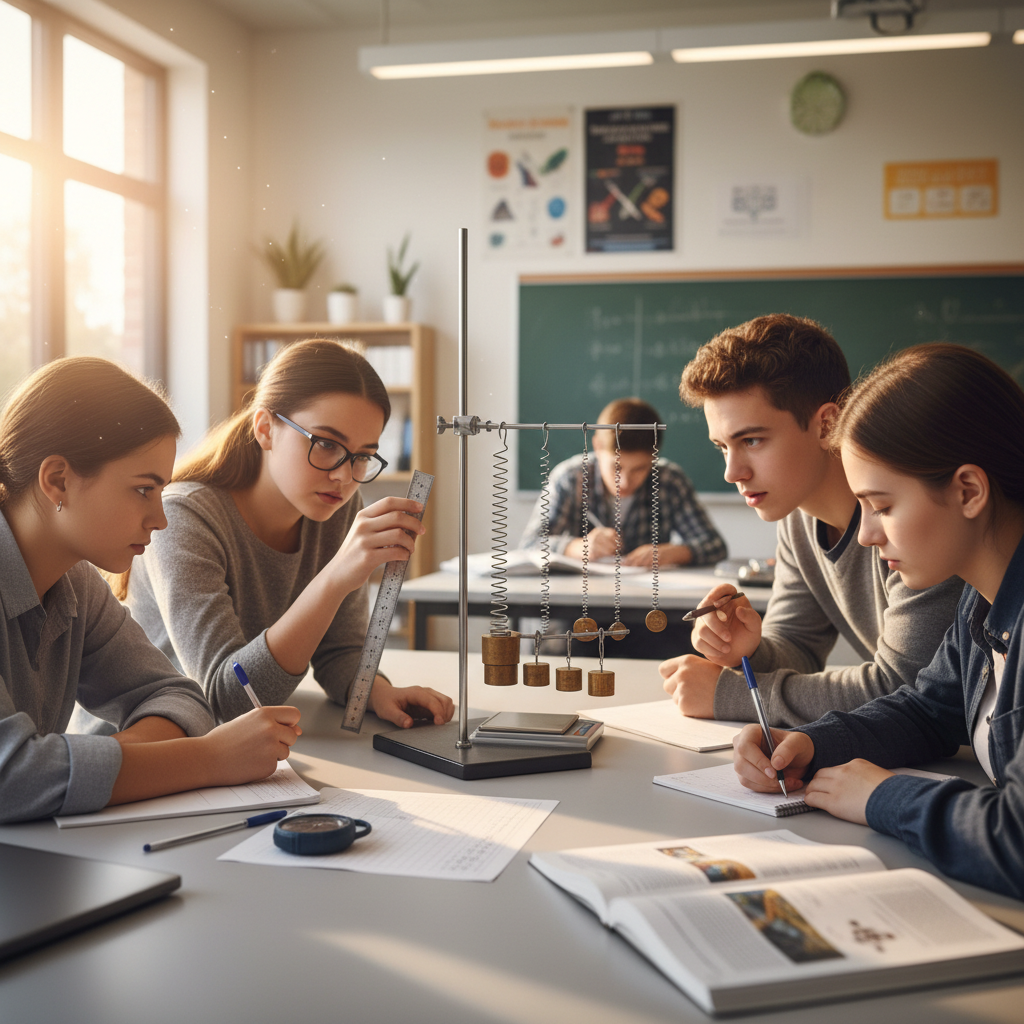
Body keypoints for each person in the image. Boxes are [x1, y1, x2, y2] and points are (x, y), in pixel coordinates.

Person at [733, 344, 1024, 898]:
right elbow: (928, 709)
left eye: (882, 506)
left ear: (968, 490)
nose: (865, 534)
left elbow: (1017, 838)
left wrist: (882, 797)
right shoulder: (981, 601)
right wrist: (812, 743)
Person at [0, 357, 300, 824]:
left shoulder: (76, 583)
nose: (160, 519)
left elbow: (176, 696)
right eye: (144, 490)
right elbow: (11, 777)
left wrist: (101, 766)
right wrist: (207, 759)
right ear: (57, 479)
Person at [122, 339, 454, 728]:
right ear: (265, 428)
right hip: (141, 751)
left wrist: (375, 690)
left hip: (234, 758)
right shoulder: (183, 518)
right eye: (326, 444)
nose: (343, 476)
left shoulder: (339, 505)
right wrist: (334, 579)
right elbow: (227, 700)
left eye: (362, 456)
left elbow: (340, 651)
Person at [661, 314, 963, 725]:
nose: (733, 472)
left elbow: (905, 686)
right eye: (722, 447)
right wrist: (746, 651)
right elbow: (797, 645)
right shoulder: (798, 515)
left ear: (827, 424)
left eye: (752, 440)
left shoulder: (912, 514)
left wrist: (732, 695)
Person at [519, 397, 726, 569]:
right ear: (597, 447)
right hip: (579, 606)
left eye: (640, 469)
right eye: (616, 468)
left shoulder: (669, 481)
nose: (625, 482)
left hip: (646, 605)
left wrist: (674, 553)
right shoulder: (571, 478)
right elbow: (529, 545)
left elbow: (715, 546)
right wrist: (577, 547)